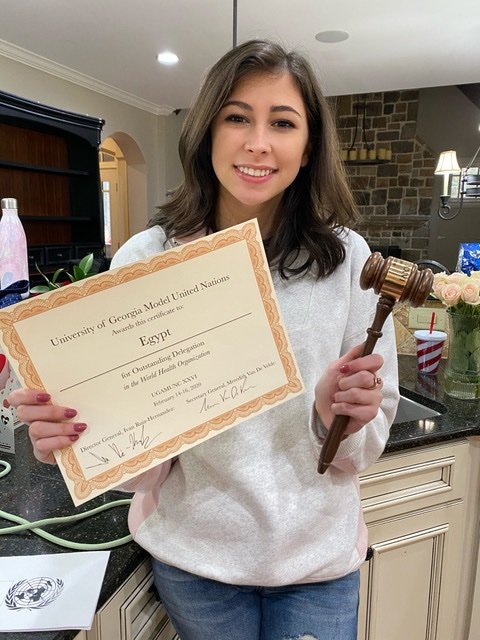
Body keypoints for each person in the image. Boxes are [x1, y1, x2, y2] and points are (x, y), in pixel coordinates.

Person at [8, 39, 399, 640]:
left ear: (309, 144)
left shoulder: (348, 261)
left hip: (317, 563)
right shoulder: (147, 258)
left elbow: (365, 447)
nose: (258, 142)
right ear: (207, 130)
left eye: (283, 123)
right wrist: (78, 437)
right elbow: (138, 465)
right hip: (198, 565)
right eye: (237, 116)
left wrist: (333, 419)